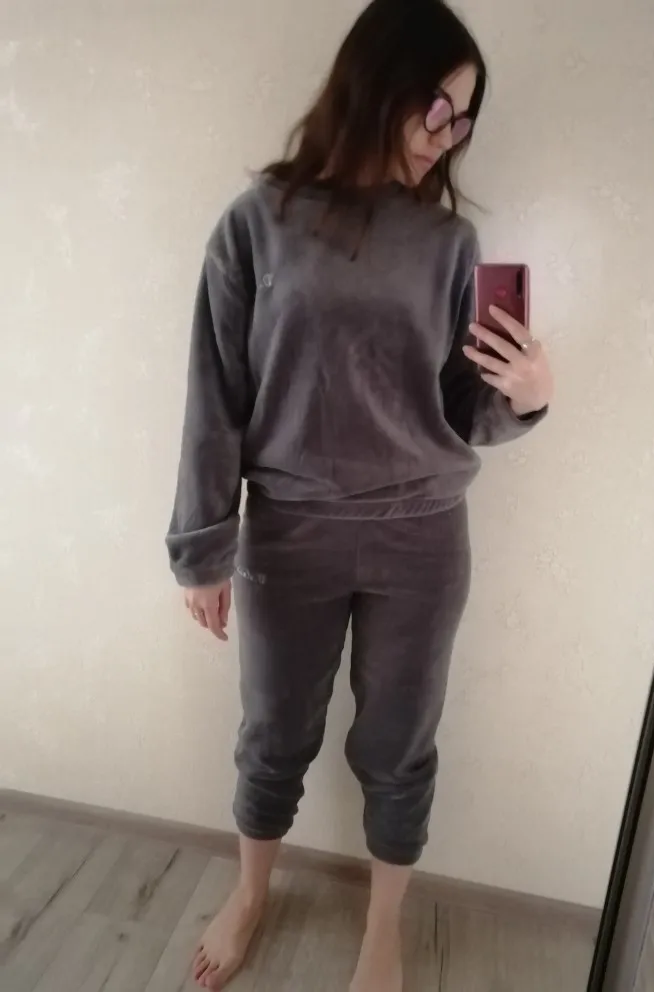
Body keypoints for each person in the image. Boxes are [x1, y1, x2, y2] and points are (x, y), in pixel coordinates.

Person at [166, 0, 553, 988]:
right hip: (288, 532)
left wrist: (525, 396)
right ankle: (251, 892)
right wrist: (202, 547)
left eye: (465, 118)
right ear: (377, 81)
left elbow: (459, 406)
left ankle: (384, 927)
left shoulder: (450, 244)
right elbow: (215, 393)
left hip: (422, 536)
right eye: (438, 106)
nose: (447, 135)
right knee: (273, 733)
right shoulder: (258, 221)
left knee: (399, 742)